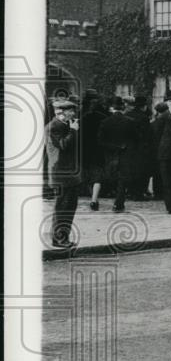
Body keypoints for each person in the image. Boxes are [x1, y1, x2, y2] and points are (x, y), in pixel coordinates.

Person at [46, 98, 81, 248]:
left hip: (68, 173)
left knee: (69, 205)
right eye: (70, 111)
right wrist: (73, 130)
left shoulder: (63, 124)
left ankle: (63, 237)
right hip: (61, 173)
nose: (73, 113)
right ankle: (59, 238)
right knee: (63, 206)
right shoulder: (55, 126)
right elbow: (63, 145)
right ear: (61, 112)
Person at [97, 96, 137, 213]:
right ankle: (118, 203)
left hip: (110, 154)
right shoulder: (130, 122)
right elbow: (136, 139)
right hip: (125, 153)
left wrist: (113, 147)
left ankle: (107, 197)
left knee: (110, 176)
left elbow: (100, 141)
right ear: (123, 108)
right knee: (122, 180)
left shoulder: (105, 122)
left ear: (111, 109)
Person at [80, 95, 107, 211]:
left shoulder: (83, 118)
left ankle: (93, 197)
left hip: (86, 151)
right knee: (98, 177)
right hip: (99, 150)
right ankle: (94, 200)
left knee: (88, 176)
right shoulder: (104, 118)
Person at [125, 95, 154, 200]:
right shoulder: (144, 118)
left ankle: (129, 191)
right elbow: (148, 135)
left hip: (128, 147)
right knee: (141, 171)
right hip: (141, 148)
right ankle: (138, 193)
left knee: (130, 170)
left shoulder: (127, 115)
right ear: (144, 106)